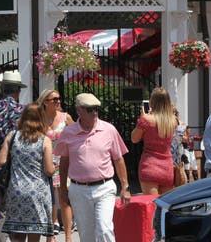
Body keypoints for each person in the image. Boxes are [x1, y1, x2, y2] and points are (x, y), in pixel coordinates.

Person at [55, 93, 130, 242]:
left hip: (105, 187)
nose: (94, 113)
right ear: (79, 111)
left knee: (104, 229)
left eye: (96, 109)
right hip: (78, 189)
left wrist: (125, 187)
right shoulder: (68, 132)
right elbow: (64, 162)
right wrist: (63, 188)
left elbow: (118, 159)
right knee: (86, 235)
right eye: (90, 109)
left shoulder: (109, 129)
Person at [0, 103, 55, 242]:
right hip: (38, 192)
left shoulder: (13, 136)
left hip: (16, 191)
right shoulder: (45, 140)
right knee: (34, 234)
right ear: (41, 118)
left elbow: (1, 161)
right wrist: (55, 167)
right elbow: (48, 170)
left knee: (18, 235)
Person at [37, 89, 75, 240]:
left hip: (63, 163)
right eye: (54, 99)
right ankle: (49, 235)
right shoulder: (38, 119)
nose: (58, 101)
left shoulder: (66, 118)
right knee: (47, 200)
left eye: (59, 98)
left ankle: (68, 236)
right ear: (45, 102)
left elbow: (76, 137)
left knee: (64, 199)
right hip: (44, 163)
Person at [131, 87, 177, 194]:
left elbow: (134, 139)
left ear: (152, 101)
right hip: (167, 167)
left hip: (149, 166)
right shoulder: (173, 121)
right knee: (164, 207)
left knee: (151, 206)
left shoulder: (146, 120)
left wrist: (142, 119)